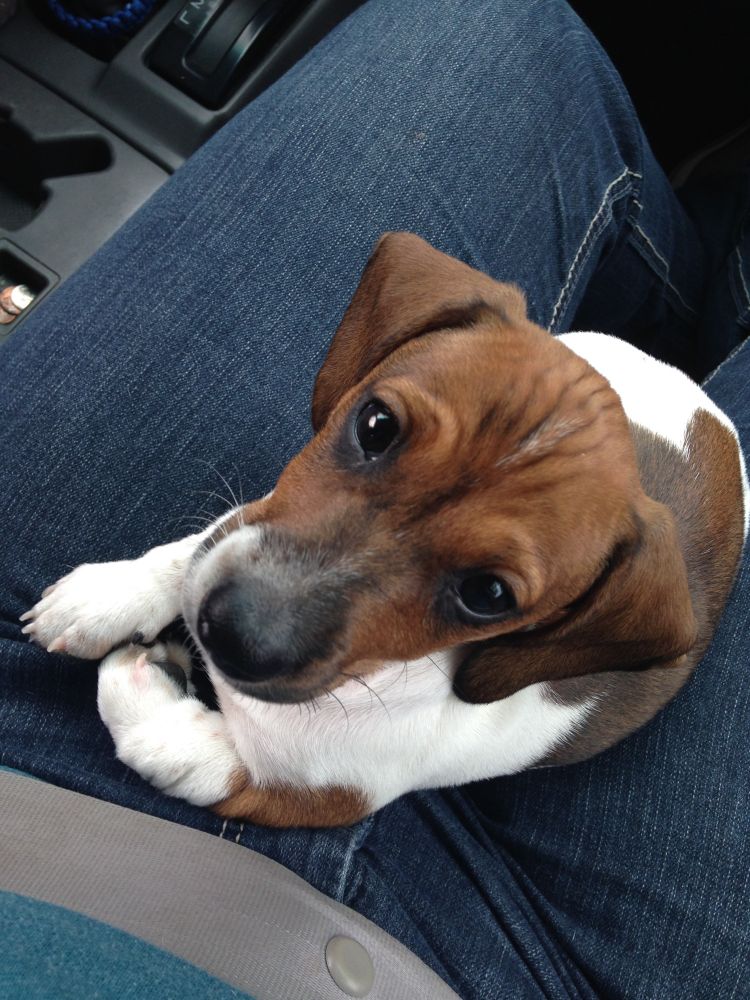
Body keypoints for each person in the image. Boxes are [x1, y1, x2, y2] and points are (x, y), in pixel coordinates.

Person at [1, 1, 748, 996]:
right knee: (498, 24)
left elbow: (314, 791)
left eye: (485, 591)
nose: (270, 604)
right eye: (380, 431)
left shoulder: (617, 592)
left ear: (561, 624)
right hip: (514, 953)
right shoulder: (501, 398)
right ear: (373, 353)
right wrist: (164, 575)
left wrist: (171, 743)